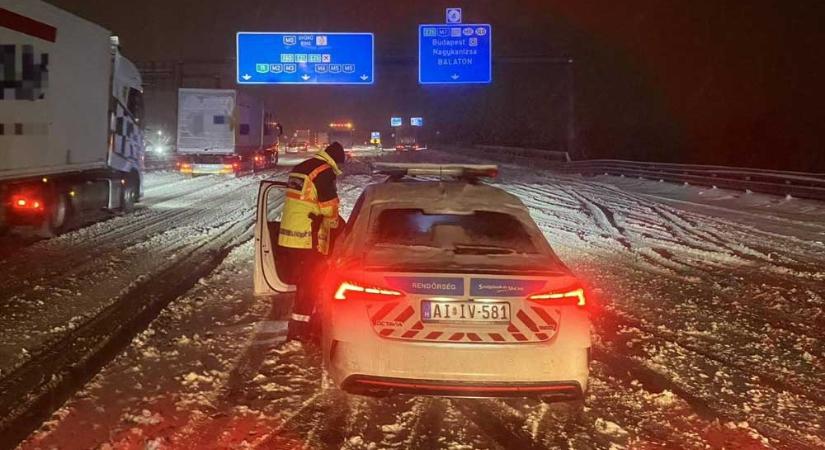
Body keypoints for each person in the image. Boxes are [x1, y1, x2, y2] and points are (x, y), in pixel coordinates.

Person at [278, 142, 346, 341]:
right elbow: (328, 208)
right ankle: (300, 329)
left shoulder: (302, 167)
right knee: (311, 283)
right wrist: (336, 225)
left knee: (303, 282)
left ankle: (300, 324)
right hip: (308, 236)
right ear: (336, 160)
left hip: (289, 236)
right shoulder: (324, 172)